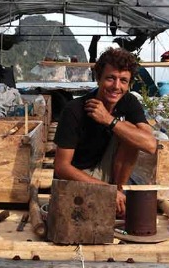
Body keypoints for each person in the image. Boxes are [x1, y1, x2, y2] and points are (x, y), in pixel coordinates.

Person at [53, 47, 158, 216]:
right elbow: (61, 167)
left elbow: (150, 144)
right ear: (98, 78)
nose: (116, 86)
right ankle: (114, 195)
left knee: (131, 132)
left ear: (129, 84)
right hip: (78, 177)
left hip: (110, 175)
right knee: (128, 129)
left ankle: (119, 193)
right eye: (110, 78)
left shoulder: (128, 101)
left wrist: (109, 120)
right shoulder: (74, 110)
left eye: (123, 81)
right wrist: (106, 189)